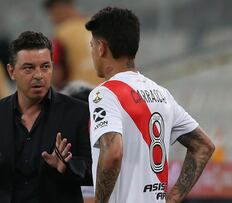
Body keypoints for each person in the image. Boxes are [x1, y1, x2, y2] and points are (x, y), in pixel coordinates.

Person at [85, 7, 215, 203]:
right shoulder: (162, 95)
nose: (93, 52)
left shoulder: (104, 94)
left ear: (101, 47)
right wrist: (173, 199)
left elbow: (113, 152)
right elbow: (203, 146)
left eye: (92, 46)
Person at [0, 31, 92, 203]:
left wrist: (67, 166)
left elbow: (93, 171)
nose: (38, 75)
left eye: (45, 66)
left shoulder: (77, 111)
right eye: (29, 68)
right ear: (11, 71)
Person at [43, 0, 103, 90]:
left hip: (81, 93)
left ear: (59, 10)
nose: (52, 19)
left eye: (52, 14)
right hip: (108, 89)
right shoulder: (99, 25)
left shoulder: (62, 33)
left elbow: (55, 73)